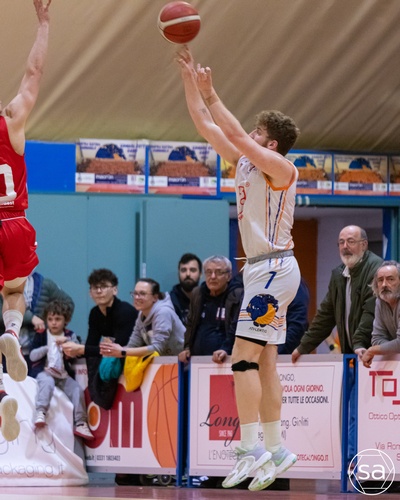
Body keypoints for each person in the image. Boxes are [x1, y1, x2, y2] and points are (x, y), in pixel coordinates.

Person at [176, 46, 300, 491]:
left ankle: (250, 449)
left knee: (242, 360)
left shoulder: (283, 168)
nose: (250, 132)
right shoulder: (247, 161)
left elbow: (232, 131)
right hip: (262, 271)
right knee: (265, 363)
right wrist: (189, 79)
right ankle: (276, 448)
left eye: (258, 130)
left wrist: (213, 93)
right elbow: (206, 125)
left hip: (274, 269)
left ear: (272, 143)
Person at [0, 0, 51, 443]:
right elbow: (34, 73)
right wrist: (43, 23)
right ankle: (13, 334)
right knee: (14, 293)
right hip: (14, 220)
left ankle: (1, 391)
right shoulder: (11, 121)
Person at [292, 225, 383, 463]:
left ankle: (360, 464)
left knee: (364, 414)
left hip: (374, 358)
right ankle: (354, 463)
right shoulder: (339, 274)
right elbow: (326, 314)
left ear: (364, 244)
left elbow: (370, 314)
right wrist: (303, 346)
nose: (345, 247)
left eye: (351, 241)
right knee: (350, 412)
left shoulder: (376, 270)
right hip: (353, 356)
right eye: (341, 242)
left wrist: (359, 345)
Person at [62, 269, 138, 409]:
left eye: (103, 286)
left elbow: (116, 349)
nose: (99, 291)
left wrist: (81, 349)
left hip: (131, 357)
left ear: (115, 290)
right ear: (90, 293)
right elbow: (91, 345)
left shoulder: (125, 311)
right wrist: (71, 348)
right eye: (95, 287)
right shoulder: (95, 313)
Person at [29, 300, 94, 440]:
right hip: (45, 372)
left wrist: (67, 343)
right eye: (50, 319)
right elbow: (33, 356)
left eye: (58, 319)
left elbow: (78, 352)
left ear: (66, 320)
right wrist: (47, 347)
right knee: (47, 383)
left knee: (77, 390)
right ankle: (40, 413)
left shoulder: (69, 335)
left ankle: (81, 423)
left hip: (63, 375)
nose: (53, 323)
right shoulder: (41, 334)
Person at [0, 271, 74, 375]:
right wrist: (30, 318)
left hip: (35, 351)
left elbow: (68, 303)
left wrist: (49, 320)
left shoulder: (45, 284)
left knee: (39, 382)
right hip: (7, 351)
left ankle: (12, 332)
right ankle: (12, 332)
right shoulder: (4, 281)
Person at [178, 255, 242, 365]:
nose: (213, 277)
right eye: (208, 272)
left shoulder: (237, 295)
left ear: (228, 276)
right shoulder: (198, 294)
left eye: (219, 272)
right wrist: (187, 347)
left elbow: (237, 327)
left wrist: (226, 349)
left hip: (226, 361)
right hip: (197, 362)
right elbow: (191, 324)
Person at [100, 278, 185, 359]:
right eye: (135, 293)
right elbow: (133, 346)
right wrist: (114, 350)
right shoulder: (141, 314)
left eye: (142, 294)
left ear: (155, 297)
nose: (137, 297)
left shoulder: (163, 312)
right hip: (166, 363)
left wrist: (123, 351)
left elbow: (157, 348)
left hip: (184, 363)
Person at [362, 261, 400, 368]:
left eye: (390, 279)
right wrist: (391, 347)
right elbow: (376, 339)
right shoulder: (380, 301)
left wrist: (372, 350)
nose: (384, 285)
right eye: (380, 280)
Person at [279, 277, 310, 355]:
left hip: (281, 354)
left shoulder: (293, 282)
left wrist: (277, 352)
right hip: (254, 350)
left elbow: (297, 326)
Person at [170, 253, 202, 326]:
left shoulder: (207, 299)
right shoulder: (170, 302)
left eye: (193, 270)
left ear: (200, 274)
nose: (188, 274)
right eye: (183, 270)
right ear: (178, 274)